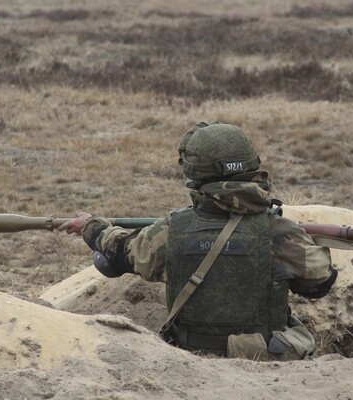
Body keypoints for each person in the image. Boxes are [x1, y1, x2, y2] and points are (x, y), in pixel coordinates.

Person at [59, 121, 336, 361]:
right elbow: (319, 283)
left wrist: (91, 227)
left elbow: (121, 251)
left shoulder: (171, 231)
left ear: (195, 175)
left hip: (189, 359)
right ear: (253, 165)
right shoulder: (279, 232)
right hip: (264, 360)